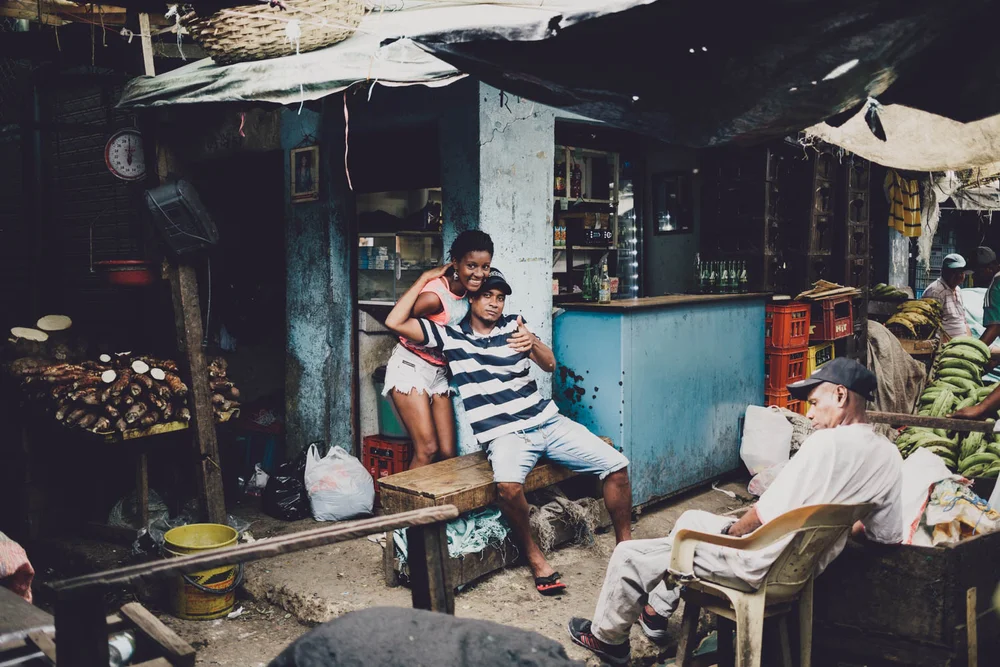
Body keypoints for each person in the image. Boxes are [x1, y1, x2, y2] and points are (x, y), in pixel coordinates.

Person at [567, 358, 903, 666]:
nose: (810, 414)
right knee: (691, 519)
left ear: (841, 396)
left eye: (814, 403)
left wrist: (728, 534)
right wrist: (835, 531)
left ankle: (608, 640)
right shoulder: (888, 456)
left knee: (628, 555)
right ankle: (656, 612)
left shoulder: (825, 443)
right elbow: (885, 536)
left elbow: (761, 515)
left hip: (756, 564)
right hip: (798, 570)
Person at [385, 266, 632, 595]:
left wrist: (533, 344)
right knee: (508, 487)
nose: (494, 303)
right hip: (505, 435)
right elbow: (394, 321)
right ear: (471, 299)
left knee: (616, 466)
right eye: (487, 295)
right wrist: (424, 278)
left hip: (548, 422)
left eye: (500, 297)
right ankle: (534, 556)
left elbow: (549, 364)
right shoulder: (451, 336)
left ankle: (625, 554)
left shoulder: (515, 326)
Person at [382, 230, 493, 468]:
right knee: (427, 449)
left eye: (485, 267)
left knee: (448, 452)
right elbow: (397, 321)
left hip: (439, 372)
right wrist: (424, 278)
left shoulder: (469, 292)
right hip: (410, 368)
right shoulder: (435, 296)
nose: (479, 274)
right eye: (471, 266)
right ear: (455, 263)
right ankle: (408, 496)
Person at [921, 253, 972, 339]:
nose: (959, 276)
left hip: (962, 341)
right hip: (946, 343)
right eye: (954, 272)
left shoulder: (958, 290)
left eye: (961, 272)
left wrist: (969, 340)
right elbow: (930, 326)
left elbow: (963, 320)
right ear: (944, 272)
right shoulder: (936, 291)